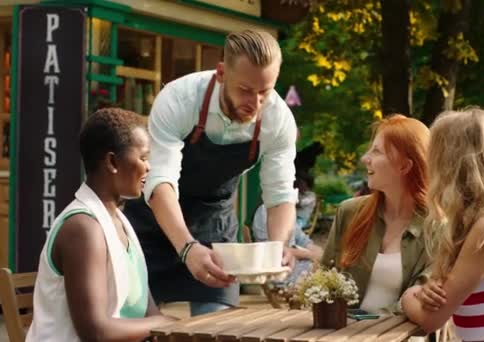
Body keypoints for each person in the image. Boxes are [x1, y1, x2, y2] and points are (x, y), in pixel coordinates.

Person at [122, 30, 298, 315]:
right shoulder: (179, 99)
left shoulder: (279, 121)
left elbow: (279, 195)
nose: (255, 103)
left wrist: (277, 247)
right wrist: (187, 248)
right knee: (137, 325)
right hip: (152, 227)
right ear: (221, 73)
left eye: (265, 91)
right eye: (245, 90)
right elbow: (160, 181)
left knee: (215, 329)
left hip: (215, 227)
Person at [26, 108, 174, 342]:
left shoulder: (120, 221)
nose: (149, 167)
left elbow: (149, 313)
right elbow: (95, 332)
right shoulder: (83, 228)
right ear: (112, 162)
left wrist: (166, 325)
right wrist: (163, 323)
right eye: (143, 158)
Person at [401, 108, 484, 341]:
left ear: (450, 166)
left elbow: (432, 319)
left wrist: (409, 294)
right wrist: (430, 292)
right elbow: (444, 297)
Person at [321, 114, 432, 314]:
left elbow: (427, 302)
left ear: (405, 166)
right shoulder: (349, 212)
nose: (365, 159)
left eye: (377, 151)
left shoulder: (438, 228)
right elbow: (324, 281)